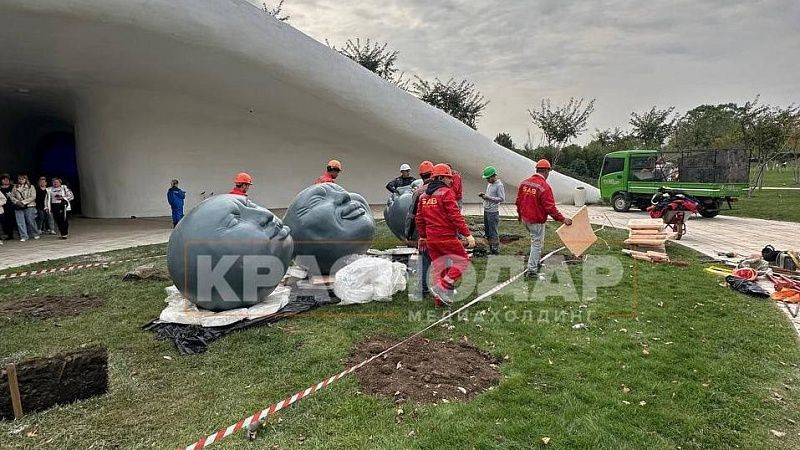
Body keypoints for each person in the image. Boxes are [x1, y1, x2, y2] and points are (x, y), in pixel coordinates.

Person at [416, 163, 476, 306]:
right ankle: (442, 287)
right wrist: (467, 235)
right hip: (446, 237)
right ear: (441, 177)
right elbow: (455, 216)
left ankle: (439, 301)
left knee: (439, 268)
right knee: (462, 261)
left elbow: (419, 218)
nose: (451, 181)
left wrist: (423, 236)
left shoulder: (424, 196)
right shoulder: (446, 193)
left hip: (431, 239)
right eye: (449, 178)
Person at [515, 159, 572, 278]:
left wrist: (520, 216)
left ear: (537, 170)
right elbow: (550, 208)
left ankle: (535, 263)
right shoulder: (544, 187)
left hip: (526, 219)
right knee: (536, 244)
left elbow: (518, 201)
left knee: (536, 242)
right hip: (536, 220)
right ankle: (532, 270)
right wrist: (562, 219)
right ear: (546, 171)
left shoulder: (525, 183)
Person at [406, 160, 434, 298]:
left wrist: (408, 234)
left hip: (423, 233)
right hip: (439, 232)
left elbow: (412, 215)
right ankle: (443, 287)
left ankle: (424, 289)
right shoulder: (443, 191)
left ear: (421, 176)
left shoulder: (418, 193)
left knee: (424, 260)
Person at [478, 166, 505, 255]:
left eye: (488, 178)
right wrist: (484, 195)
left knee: (493, 231)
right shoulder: (490, 184)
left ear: (493, 176)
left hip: (493, 212)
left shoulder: (499, 185)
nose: (487, 180)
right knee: (488, 230)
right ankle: (490, 246)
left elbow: (501, 198)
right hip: (487, 210)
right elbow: (489, 195)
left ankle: (495, 249)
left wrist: (488, 197)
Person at [11, 174, 41, 242]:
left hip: (29, 205)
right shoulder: (15, 187)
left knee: (30, 220)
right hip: (18, 206)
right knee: (20, 221)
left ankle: (35, 233)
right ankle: (24, 236)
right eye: (19, 179)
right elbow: (12, 196)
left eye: (22, 179)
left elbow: (33, 196)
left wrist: (23, 202)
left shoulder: (31, 186)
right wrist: (17, 202)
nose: (20, 180)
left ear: (26, 179)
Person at [0, 174, 15, 240]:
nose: (5, 180)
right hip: (2, 207)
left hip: (11, 206)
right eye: (4, 179)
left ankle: (10, 234)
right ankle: (5, 233)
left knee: (11, 220)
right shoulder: (0, 188)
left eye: (7, 179)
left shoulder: (13, 187)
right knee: (4, 221)